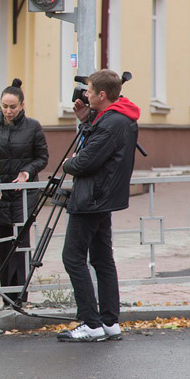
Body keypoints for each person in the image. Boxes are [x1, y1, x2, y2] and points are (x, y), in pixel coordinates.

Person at [57, 69, 140, 342]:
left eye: (90, 92)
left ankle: (91, 323)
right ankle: (109, 322)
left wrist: (68, 163)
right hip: (102, 198)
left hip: (91, 199)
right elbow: (96, 148)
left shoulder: (112, 122)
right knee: (102, 259)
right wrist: (85, 121)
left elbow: (84, 162)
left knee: (73, 258)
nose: (86, 96)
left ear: (102, 95)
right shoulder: (118, 118)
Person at [0, 79, 48, 301]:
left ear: (22, 105)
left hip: (24, 192)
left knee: (21, 243)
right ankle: (7, 296)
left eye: (13, 107)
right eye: (4, 106)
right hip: (0, 193)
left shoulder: (33, 126)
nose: (8, 111)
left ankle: (21, 295)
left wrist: (26, 171)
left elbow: (42, 158)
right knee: (3, 242)